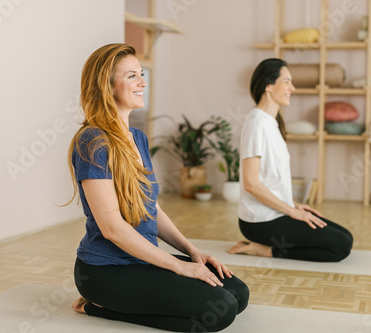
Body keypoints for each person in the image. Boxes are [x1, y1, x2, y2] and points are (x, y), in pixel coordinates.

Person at [66, 43, 249, 332]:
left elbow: (154, 209)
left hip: (141, 259)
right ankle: (98, 305)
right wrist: (179, 266)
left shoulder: (137, 138)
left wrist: (192, 252)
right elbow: (111, 227)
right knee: (221, 310)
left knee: (238, 295)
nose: (142, 82)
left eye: (141, 74)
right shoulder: (93, 142)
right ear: (108, 85)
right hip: (106, 271)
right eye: (131, 76)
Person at [228, 58, 353, 262]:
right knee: (340, 246)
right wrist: (292, 212)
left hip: (279, 212)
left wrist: (293, 205)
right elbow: (251, 184)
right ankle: (265, 250)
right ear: (268, 85)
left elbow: (270, 180)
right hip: (260, 221)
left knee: (346, 236)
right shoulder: (256, 124)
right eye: (286, 81)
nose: (292, 88)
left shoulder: (272, 123)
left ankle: (270, 244)